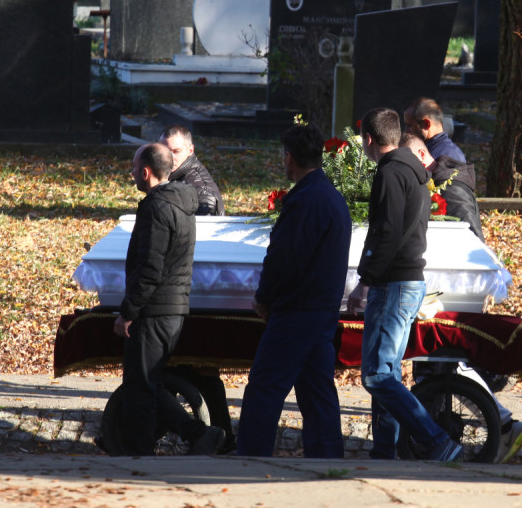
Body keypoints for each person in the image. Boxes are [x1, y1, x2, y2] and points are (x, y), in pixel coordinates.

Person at [401, 132, 522, 462]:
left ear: (418, 157)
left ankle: (503, 424)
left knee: (451, 359)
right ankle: (497, 425)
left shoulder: (449, 184)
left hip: (454, 282)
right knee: (441, 363)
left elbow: (467, 234)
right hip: (438, 279)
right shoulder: (435, 179)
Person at [345, 107, 462, 462]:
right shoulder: (413, 171)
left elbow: (388, 232)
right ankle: (384, 451)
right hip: (406, 280)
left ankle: (437, 439)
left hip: (393, 283)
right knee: (388, 372)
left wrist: (365, 281)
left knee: (377, 376)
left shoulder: (391, 172)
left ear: (368, 139)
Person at [236, 123, 352, 458]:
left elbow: (283, 258)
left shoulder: (304, 200)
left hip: (297, 311)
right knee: (317, 392)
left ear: (289, 158)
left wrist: (264, 297)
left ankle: (251, 456)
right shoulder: (331, 196)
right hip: (321, 310)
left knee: (264, 387)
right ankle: (327, 455)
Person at [113, 142, 226, 456]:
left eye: (135, 167)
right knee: (147, 382)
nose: (132, 172)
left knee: (140, 388)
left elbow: (150, 267)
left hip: (154, 310)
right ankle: (199, 434)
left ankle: (137, 452)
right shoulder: (182, 203)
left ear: (146, 172)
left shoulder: (157, 207)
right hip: (172, 306)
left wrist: (128, 311)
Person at [159, 125, 225, 216]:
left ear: (190, 150)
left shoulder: (203, 195)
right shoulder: (172, 176)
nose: (170, 157)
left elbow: (204, 229)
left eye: (176, 151)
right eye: (165, 151)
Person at [403, 97, 466, 163]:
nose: (406, 131)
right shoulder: (447, 151)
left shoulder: (443, 157)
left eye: (409, 125)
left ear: (426, 124)